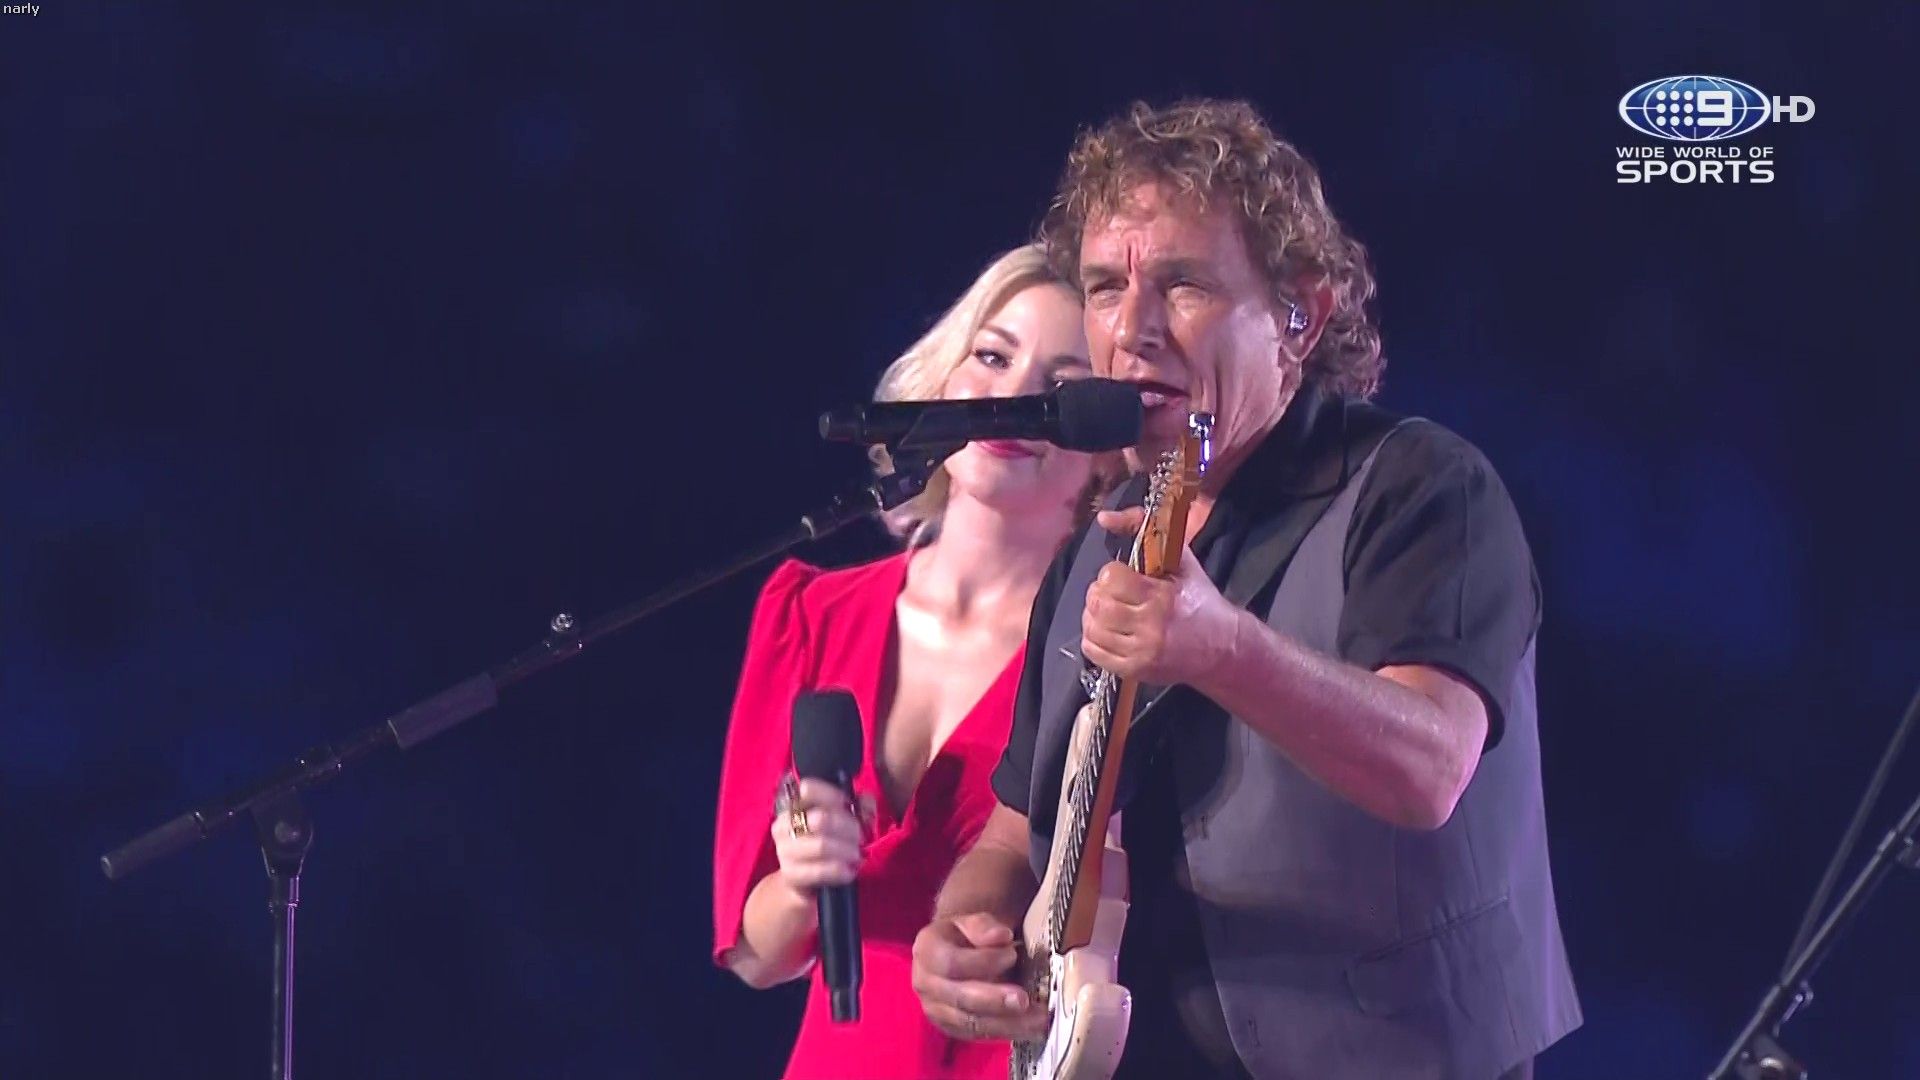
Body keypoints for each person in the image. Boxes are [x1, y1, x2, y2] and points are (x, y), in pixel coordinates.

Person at [910, 99, 1582, 1079]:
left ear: (1301, 316)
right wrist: (963, 924)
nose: (1131, 330)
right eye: (1104, 287)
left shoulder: (1420, 487)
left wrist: (1223, 649)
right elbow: (1019, 829)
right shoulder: (1095, 543)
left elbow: (1431, 767)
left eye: (1182, 285)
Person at [711, 244, 1116, 1080]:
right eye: (993, 357)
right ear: (943, 380)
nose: (1008, 400)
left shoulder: (1109, 645)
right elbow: (754, 956)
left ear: (1105, 450)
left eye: (1057, 388)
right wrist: (802, 876)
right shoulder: (809, 615)